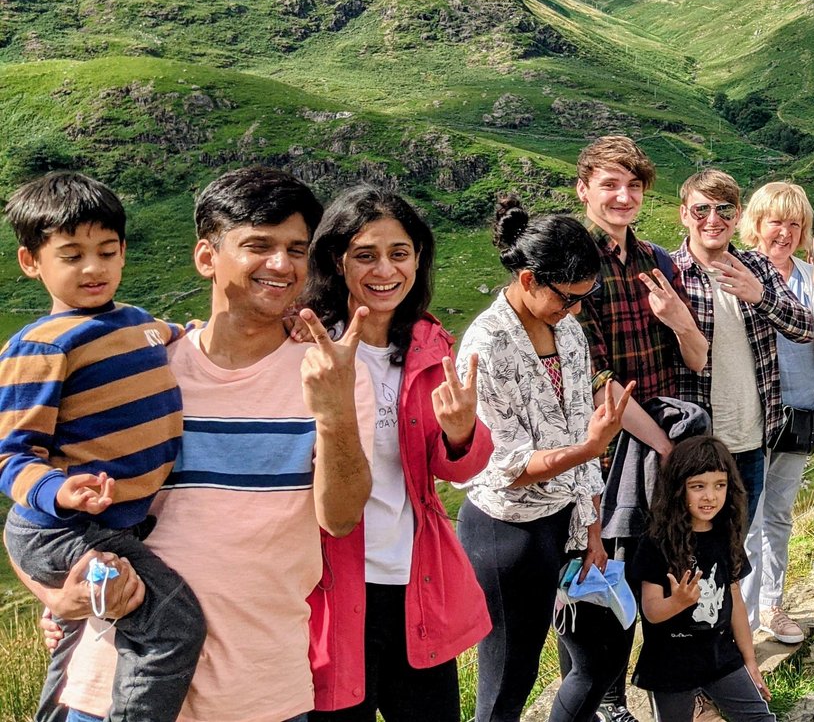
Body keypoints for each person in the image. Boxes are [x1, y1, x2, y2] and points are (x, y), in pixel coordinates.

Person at [44, 166, 373, 722]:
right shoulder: (143, 368)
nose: (282, 264)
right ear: (206, 257)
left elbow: (339, 518)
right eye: (258, 246)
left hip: (263, 693)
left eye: (296, 249)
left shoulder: (334, 372)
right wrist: (52, 594)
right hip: (114, 687)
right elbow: (40, 503)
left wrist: (335, 410)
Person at [0, 171, 206, 722]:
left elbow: (176, 333)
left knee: (71, 649)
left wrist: (197, 331)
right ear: (31, 262)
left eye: (106, 251)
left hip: (111, 523)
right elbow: (11, 455)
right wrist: (59, 491)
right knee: (172, 625)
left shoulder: (138, 323)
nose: (93, 268)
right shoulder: (41, 346)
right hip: (62, 527)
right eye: (71, 255)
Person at [301, 186, 493, 721]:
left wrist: (460, 433)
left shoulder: (431, 345)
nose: (385, 269)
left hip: (416, 580)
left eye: (399, 253)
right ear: (336, 262)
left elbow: (458, 468)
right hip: (331, 587)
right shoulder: (305, 346)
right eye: (366, 255)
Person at [455, 196, 634, 722]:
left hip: (568, 519)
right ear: (530, 279)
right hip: (508, 532)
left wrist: (593, 528)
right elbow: (507, 466)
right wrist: (590, 448)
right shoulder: (486, 346)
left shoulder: (570, 332)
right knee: (509, 678)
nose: (576, 308)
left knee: (599, 658)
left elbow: (581, 420)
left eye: (584, 297)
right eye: (568, 297)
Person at [568, 135, 708, 722]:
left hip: (661, 443)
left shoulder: (660, 261)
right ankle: (604, 695)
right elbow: (593, 376)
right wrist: (668, 446)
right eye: (609, 185)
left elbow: (698, 359)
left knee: (659, 561)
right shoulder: (575, 264)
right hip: (606, 445)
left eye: (633, 186)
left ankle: (669, 690)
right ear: (584, 190)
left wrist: (679, 320)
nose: (623, 197)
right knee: (608, 566)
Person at [736, 182, 814, 646]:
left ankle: (772, 607)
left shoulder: (807, 272)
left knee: (778, 514)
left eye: (794, 223)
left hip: (799, 412)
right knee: (748, 518)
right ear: (756, 224)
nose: (784, 231)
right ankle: (740, 615)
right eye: (775, 221)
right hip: (749, 414)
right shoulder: (739, 273)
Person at [672, 169, 814, 516]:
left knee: (736, 550)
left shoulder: (758, 266)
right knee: (690, 550)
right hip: (695, 440)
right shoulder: (670, 272)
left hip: (752, 441)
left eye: (723, 210)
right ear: (684, 215)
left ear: (737, 216)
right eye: (701, 210)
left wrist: (760, 296)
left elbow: (805, 328)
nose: (712, 220)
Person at [630, 435, 774, 722]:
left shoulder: (725, 535)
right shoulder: (657, 543)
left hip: (721, 656)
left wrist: (750, 661)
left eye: (719, 485)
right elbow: (651, 610)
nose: (710, 496)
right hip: (671, 664)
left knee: (760, 718)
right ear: (677, 488)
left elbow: (735, 600)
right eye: (698, 487)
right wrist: (679, 602)